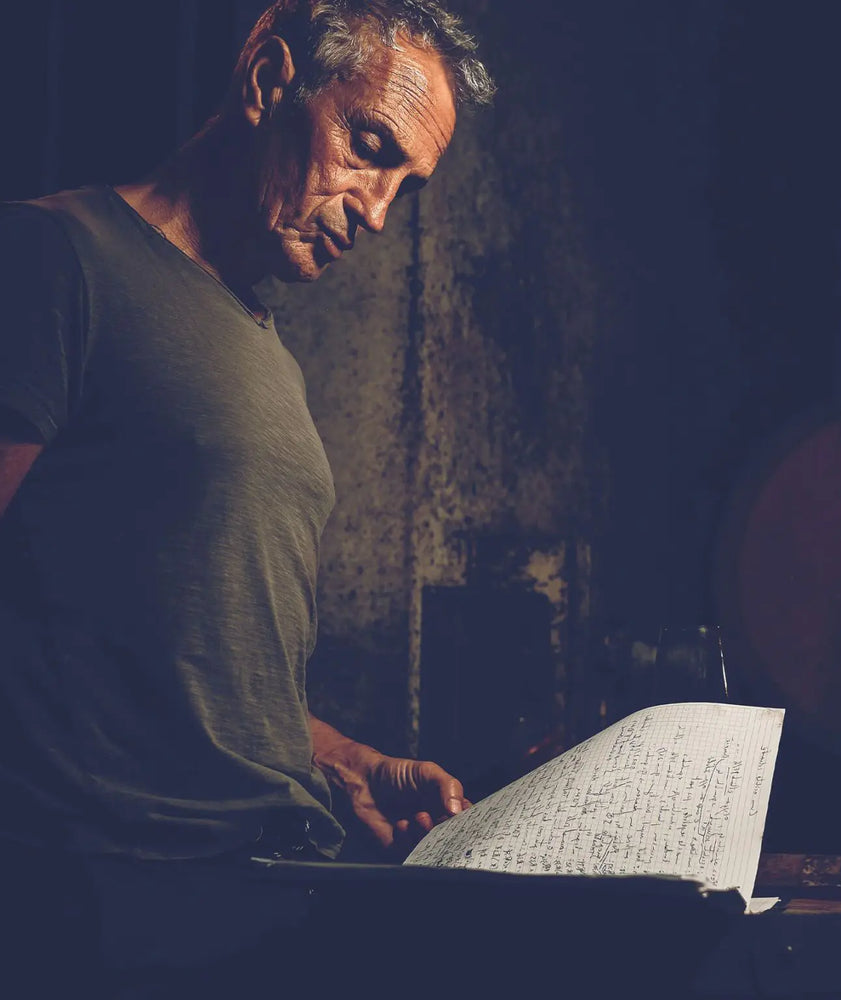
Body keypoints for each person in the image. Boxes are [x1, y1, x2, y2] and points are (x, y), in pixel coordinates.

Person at [0, 0, 494, 992]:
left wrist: (349, 763)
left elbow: (180, 660)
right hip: (114, 909)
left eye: (406, 184)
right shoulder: (54, 260)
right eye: (367, 147)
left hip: (268, 890)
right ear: (268, 82)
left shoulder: (265, 350)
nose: (379, 209)